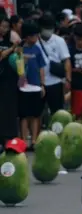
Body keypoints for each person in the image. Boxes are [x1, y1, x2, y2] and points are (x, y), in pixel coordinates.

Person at [19, 21, 46, 147]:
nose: (36, 38)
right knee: (24, 115)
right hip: (23, 87)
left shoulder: (37, 50)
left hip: (35, 86)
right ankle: (24, 140)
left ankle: (34, 140)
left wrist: (42, 84)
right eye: (35, 36)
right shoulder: (20, 49)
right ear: (28, 37)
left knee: (36, 115)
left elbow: (41, 68)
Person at [39, 15, 72, 116]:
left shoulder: (59, 41)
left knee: (57, 112)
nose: (48, 30)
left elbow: (66, 60)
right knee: (38, 112)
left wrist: (68, 79)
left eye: (50, 28)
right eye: (46, 28)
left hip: (55, 82)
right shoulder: (35, 41)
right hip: (39, 83)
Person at [0, 16, 20, 145]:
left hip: (10, 80)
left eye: (7, 27)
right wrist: (12, 48)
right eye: (2, 26)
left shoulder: (11, 40)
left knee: (10, 109)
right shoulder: (11, 45)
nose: (4, 29)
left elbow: (19, 59)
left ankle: (10, 137)